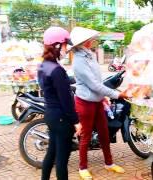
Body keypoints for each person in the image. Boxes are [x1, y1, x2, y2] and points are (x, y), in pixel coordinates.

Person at [69, 27, 128, 179]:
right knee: (86, 136)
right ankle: (82, 168)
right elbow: (94, 85)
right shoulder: (78, 61)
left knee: (104, 133)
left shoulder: (90, 55)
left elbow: (98, 81)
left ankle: (109, 163)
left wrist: (103, 97)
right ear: (84, 42)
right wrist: (117, 94)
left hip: (96, 101)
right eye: (91, 39)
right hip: (85, 103)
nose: (94, 41)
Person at [38, 27, 82, 180]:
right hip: (62, 119)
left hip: (50, 115)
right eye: (64, 45)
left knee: (51, 153)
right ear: (57, 46)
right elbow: (66, 100)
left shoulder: (43, 65)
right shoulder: (57, 70)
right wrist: (76, 122)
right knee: (62, 161)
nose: (66, 49)